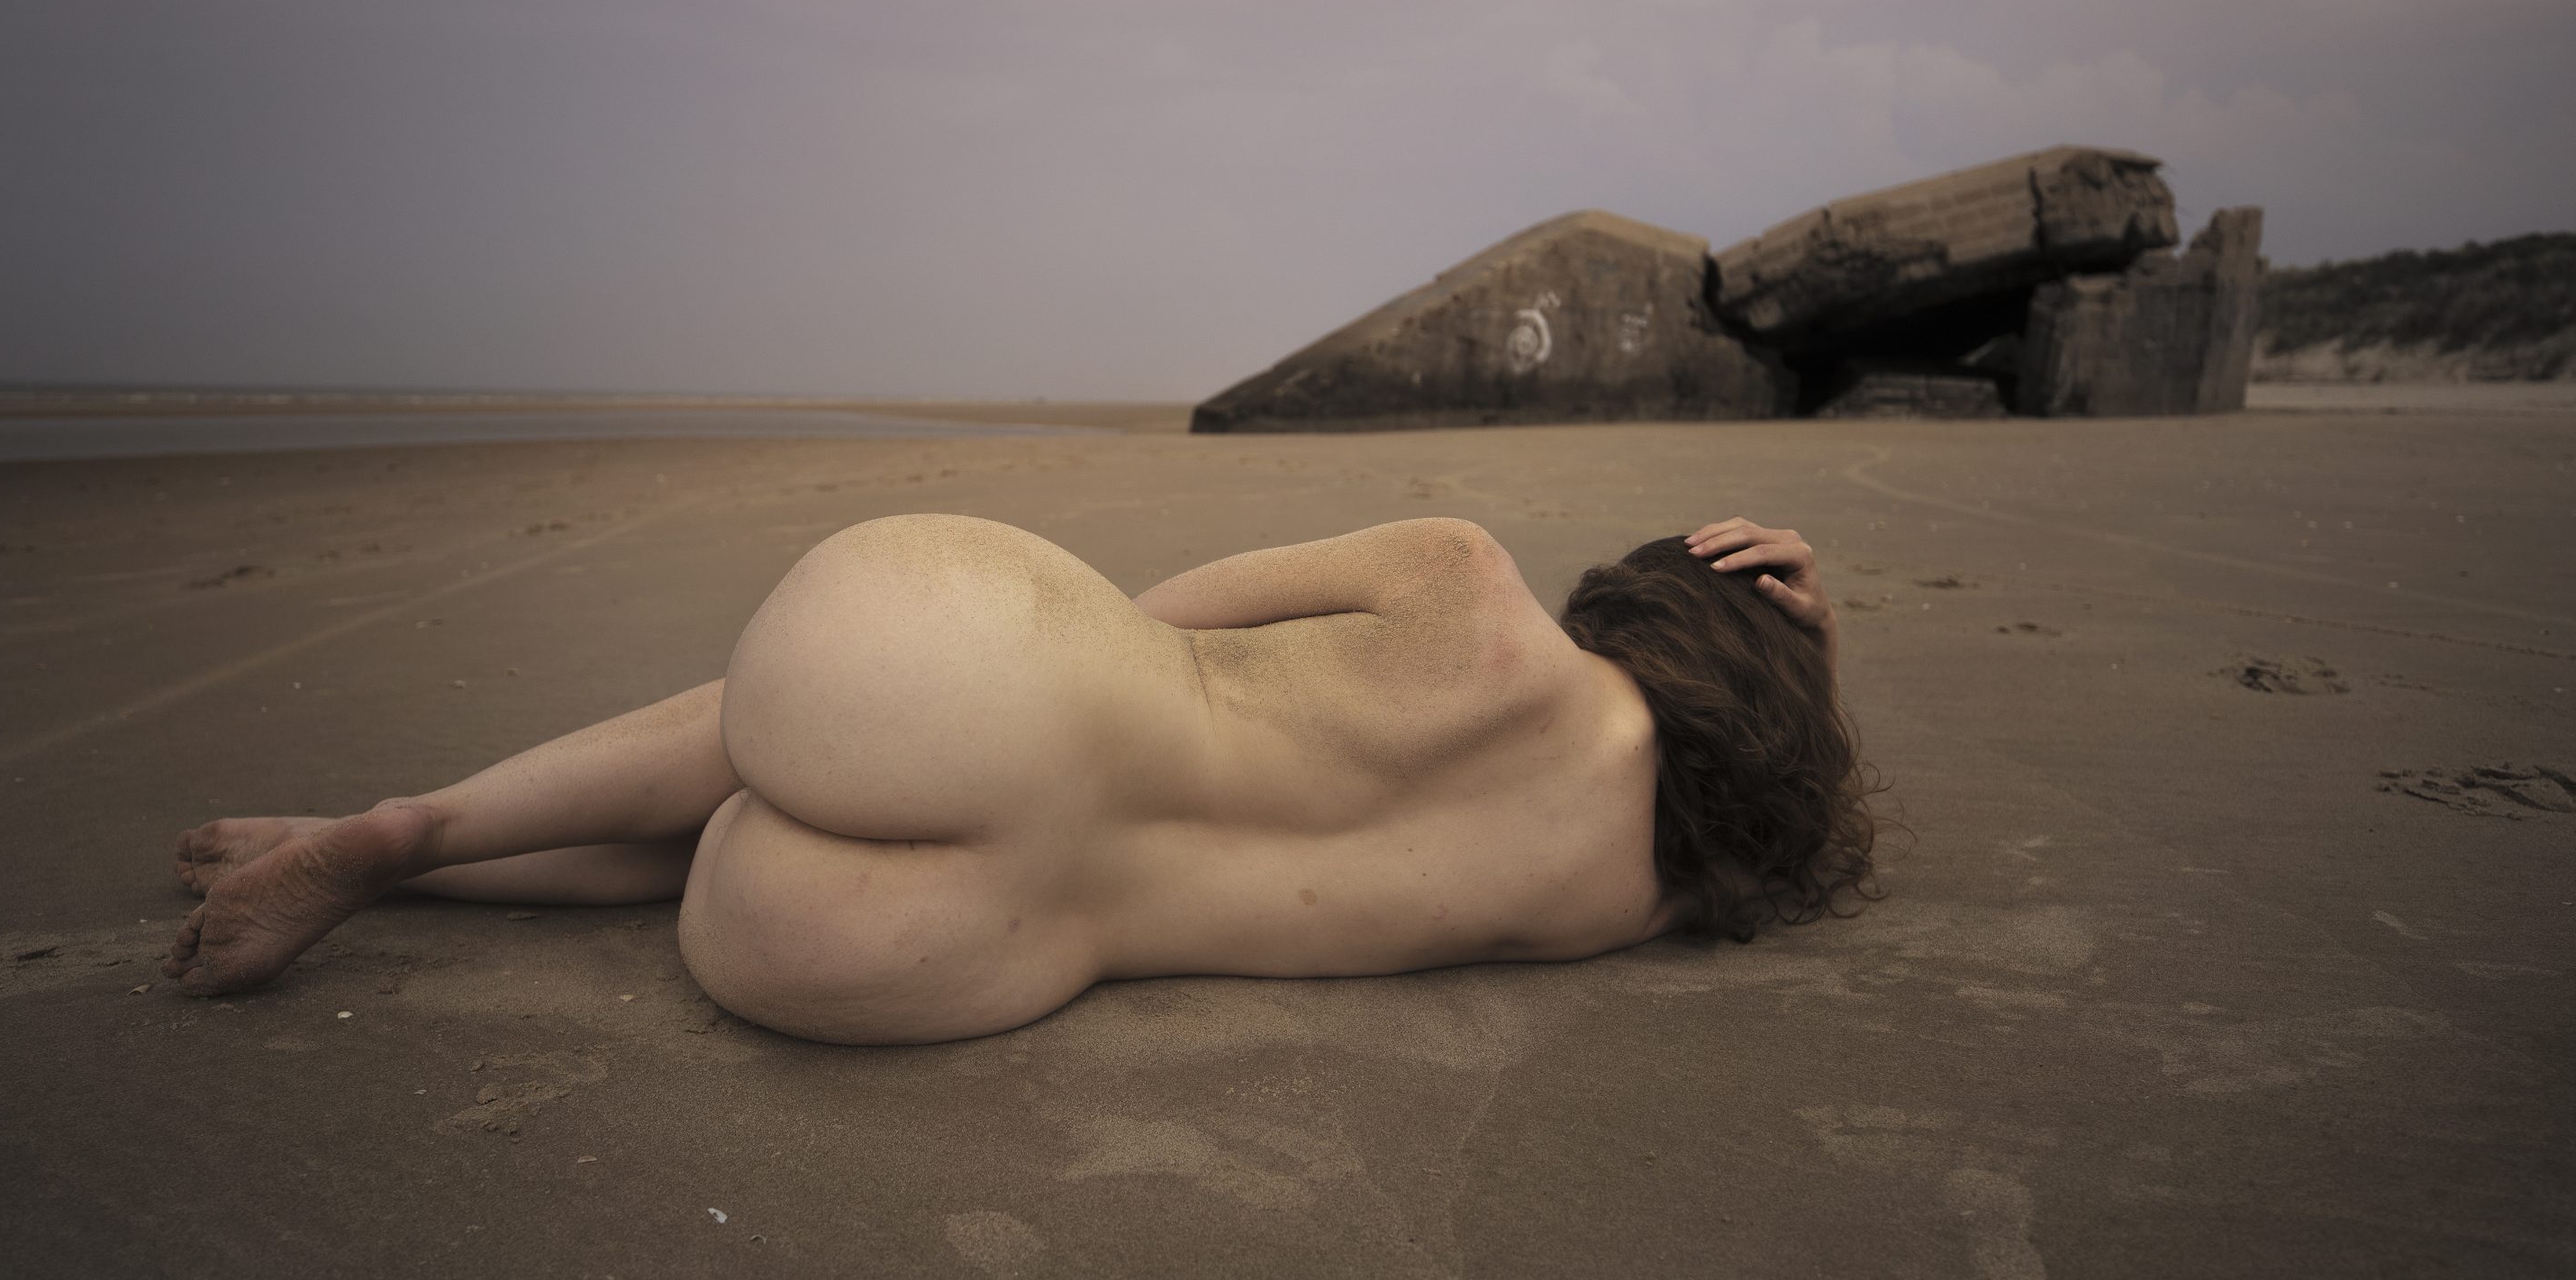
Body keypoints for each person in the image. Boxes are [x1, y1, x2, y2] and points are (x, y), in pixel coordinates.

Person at [164, 513, 1880, 1043]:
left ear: (1631, 609)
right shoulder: (1650, 899)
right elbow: (1774, 797)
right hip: (903, 958)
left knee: (809, 728)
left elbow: (1145, 620)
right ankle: (398, 851)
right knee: (764, 819)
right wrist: (1805, 654)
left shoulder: (1467, 584)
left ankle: (416, 829)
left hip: (951, 699)